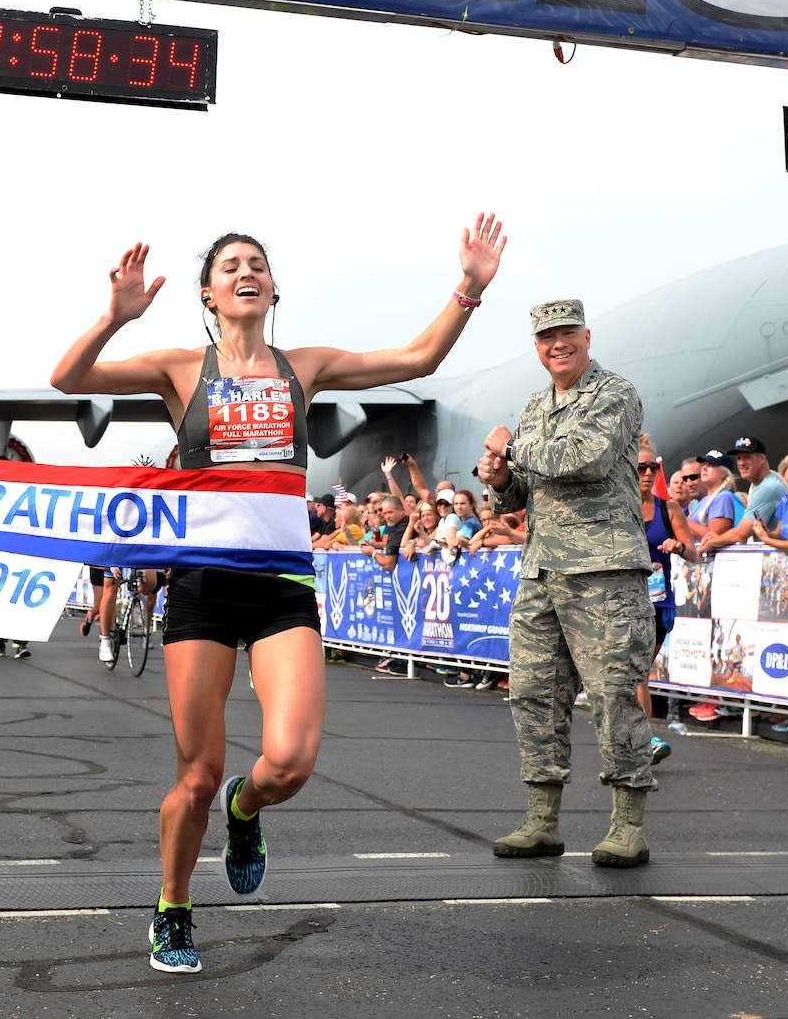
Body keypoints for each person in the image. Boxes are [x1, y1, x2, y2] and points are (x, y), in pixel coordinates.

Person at [50, 217, 506, 974]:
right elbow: (69, 378)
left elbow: (419, 355)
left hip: (282, 585)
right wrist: (115, 317)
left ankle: (246, 806)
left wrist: (469, 288)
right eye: (230, 265)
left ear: (273, 287)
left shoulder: (306, 365)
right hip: (202, 585)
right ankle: (173, 904)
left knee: (289, 761)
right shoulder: (179, 367)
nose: (245, 271)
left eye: (256, 262)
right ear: (209, 292)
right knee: (194, 775)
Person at [478, 298, 656, 871]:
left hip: (604, 570)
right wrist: (503, 479)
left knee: (611, 698)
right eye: (546, 337)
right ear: (537, 347)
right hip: (543, 572)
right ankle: (542, 820)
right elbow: (523, 494)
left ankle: (628, 825)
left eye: (567, 334)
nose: (557, 344)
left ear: (586, 336)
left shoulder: (615, 393)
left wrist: (511, 448)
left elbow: (585, 458)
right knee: (532, 694)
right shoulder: (536, 404)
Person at [636, 439, 681, 763]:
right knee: (626, 674)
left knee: (637, 672)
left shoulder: (668, 508)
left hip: (656, 604)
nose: (649, 473)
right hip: (619, 602)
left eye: (654, 467)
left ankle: (645, 740)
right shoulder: (615, 507)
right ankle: (635, 738)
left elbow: (692, 549)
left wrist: (678, 547)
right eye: (642, 467)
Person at [687, 451, 745, 558]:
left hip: (712, 562)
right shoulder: (704, 500)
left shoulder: (723, 497)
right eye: (704, 464)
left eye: (711, 465)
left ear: (723, 473)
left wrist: (683, 520)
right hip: (698, 563)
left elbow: (712, 538)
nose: (704, 468)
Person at [732, 436, 785, 529]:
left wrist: (711, 541)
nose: (741, 463)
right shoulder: (765, 482)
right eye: (738, 458)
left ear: (761, 458)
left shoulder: (768, 487)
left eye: (747, 457)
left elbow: (741, 534)